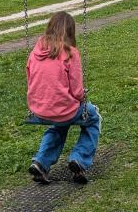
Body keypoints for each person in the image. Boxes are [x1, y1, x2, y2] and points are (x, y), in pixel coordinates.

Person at [25, 11, 101, 185]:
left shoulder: (34, 52)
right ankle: (79, 159)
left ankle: (41, 163)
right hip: (64, 109)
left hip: (40, 110)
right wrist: (83, 95)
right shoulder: (70, 52)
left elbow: (31, 80)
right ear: (70, 32)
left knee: (58, 125)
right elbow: (76, 92)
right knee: (93, 117)